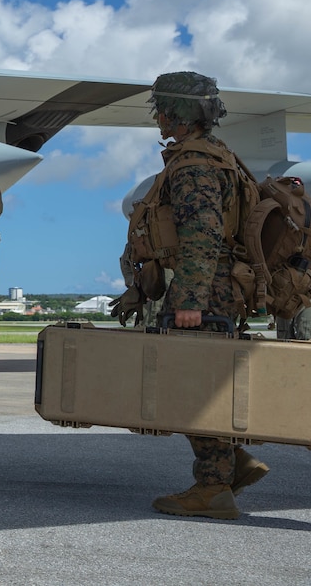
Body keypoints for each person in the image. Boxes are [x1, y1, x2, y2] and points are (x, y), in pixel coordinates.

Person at [134, 71, 270, 519]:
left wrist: (190, 300)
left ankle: (212, 487)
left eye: (162, 108)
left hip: (207, 287)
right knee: (206, 377)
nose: (158, 117)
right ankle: (234, 463)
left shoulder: (195, 165)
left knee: (191, 382)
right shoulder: (217, 155)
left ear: (178, 113)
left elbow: (201, 234)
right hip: (222, 283)